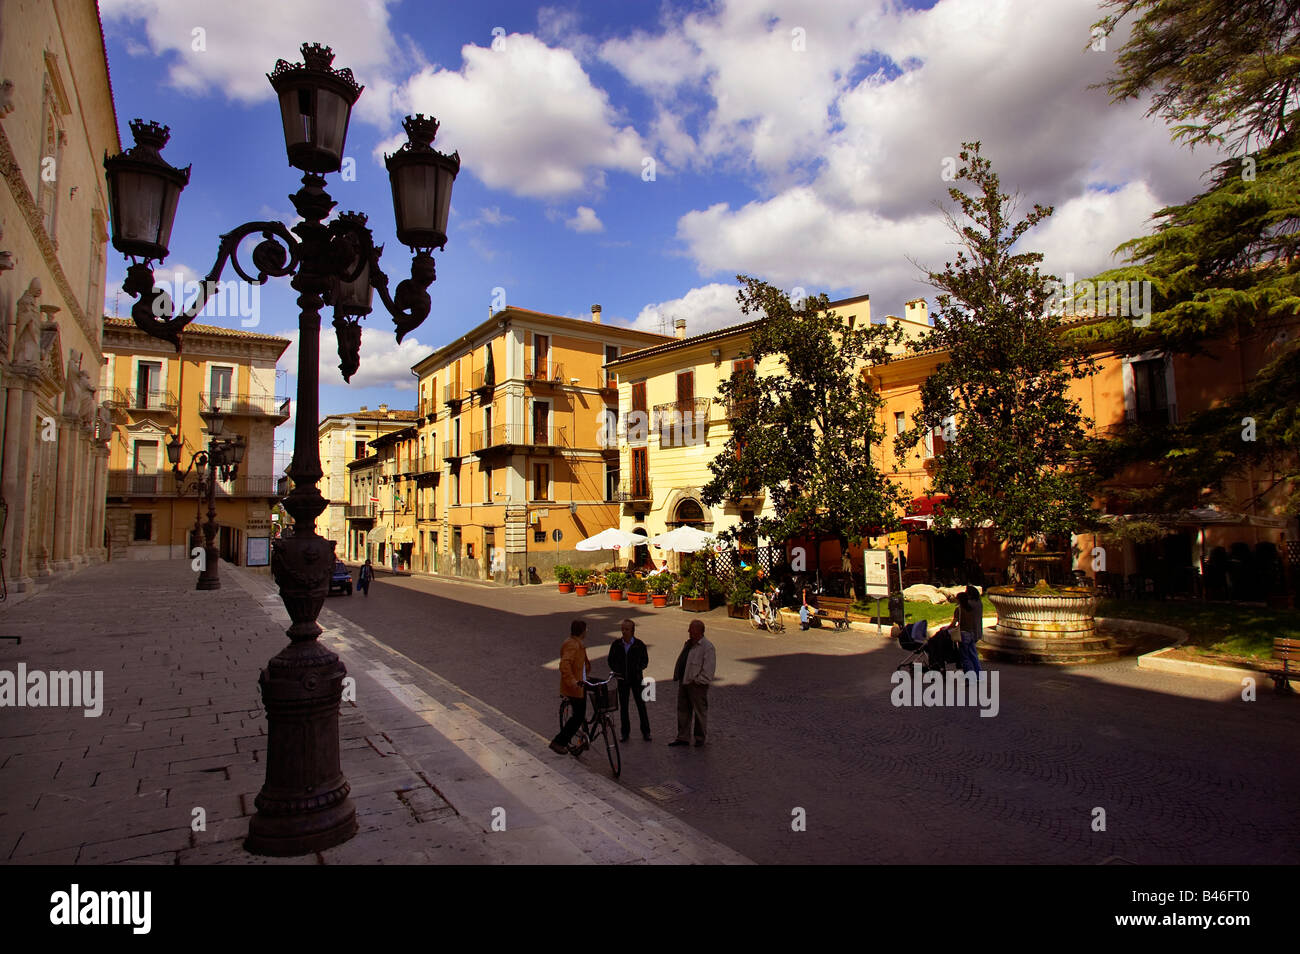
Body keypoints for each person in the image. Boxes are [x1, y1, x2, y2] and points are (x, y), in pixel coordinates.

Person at [669, 620, 715, 748]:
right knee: (683, 710)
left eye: (691, 629)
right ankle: (683, 737)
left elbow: (708, 670)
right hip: (684, 682)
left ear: (699, 631)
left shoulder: (707, 647)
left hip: (697, 685)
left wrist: (697, 680)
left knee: (700, 712)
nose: (688, 631)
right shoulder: (689, 644)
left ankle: (699, 738)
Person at [550, 620, 592, 755]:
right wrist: (573, 681)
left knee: (580, 714)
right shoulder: (572, 645)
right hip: (575, 687)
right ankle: (559, 742)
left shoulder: (575, 643)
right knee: (578, 717)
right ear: (582, 631)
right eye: (586, 629)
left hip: (581, 683)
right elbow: (564, 665)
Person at [608, 619, 651, 742]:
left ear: (632, 631)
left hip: (636, 680)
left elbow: (645, 661)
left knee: (641, 706)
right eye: (622, 629)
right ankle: (625, 733)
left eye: (626, 629)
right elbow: (611, 660)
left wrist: (636, 669)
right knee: (624, 707)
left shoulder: (639, 644)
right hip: (622, 680)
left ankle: (646, 731)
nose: (624, 632)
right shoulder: (616, 644)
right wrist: (618, 670)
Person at [954, 584, 983, 673]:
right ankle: (979, 674)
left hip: (964, 633)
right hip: (975, 632)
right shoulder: (979, 604)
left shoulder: (962, 607)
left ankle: (970, 676)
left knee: (965, 657)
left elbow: (955, 622)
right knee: (973, 655)